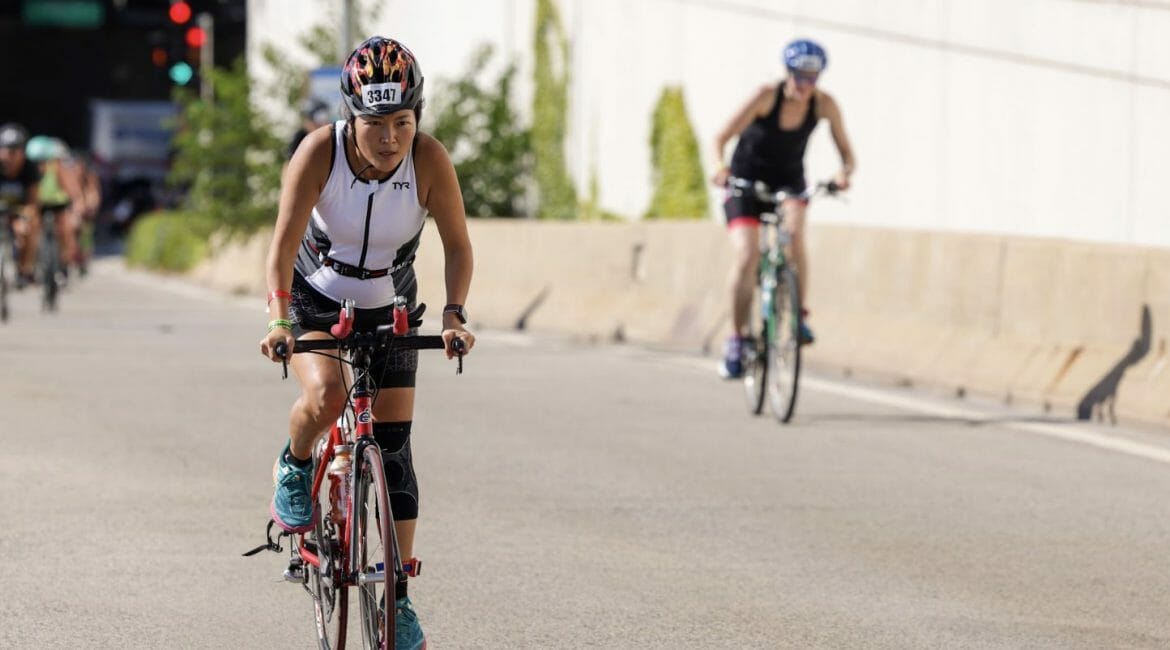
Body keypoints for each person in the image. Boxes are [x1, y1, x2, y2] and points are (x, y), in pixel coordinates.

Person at [258, 36, 475, 650]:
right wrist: (279, 321)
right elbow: (280, 247)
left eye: (401, 122)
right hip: (315, 297)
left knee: (396, 455)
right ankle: (296, 464)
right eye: (374, 123)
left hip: (391, 304)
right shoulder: (316, 154)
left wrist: (455, 316)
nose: (388, 139)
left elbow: (458, 245)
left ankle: (399, 601)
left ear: (417, 117)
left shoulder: (429, 161)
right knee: (326, 396)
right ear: (351, 117)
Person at [710, 38, 856, 379]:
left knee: (794, 235)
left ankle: (798, 315)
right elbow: (720, 138)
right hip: (746, 179)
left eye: (812, 77)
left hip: (788, 180)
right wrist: (720, 168)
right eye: (799, 76)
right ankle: (736, 338)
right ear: (787, 73)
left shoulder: (824, 105)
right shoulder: (765, 97)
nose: (805, 85)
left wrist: (843, 174)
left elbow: (848, 155)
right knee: (746, 255)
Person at [25, 135, 85, 280]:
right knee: (31, 230)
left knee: (65, 229)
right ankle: (30, 266)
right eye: (36, 162)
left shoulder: (57, 166)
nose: (40, 165)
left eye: (43, 161)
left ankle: (63, 264)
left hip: (58, 203)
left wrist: (77, 203)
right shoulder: (28, 170)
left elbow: (71, 187)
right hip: (39, 205)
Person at [0, 123, 41, 287]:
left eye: (15, 151)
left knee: (28, 230)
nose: (9, 156)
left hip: (19, 210)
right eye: (6, 150)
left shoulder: (30, 168)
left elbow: (33, 200)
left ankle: (23, 270)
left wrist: (25, 219)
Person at [284, 97, 332, 171]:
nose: (324, 124)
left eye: (325, 118)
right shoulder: (299, 137)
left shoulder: (331, 137)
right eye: (320, 119)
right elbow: (288, 165)